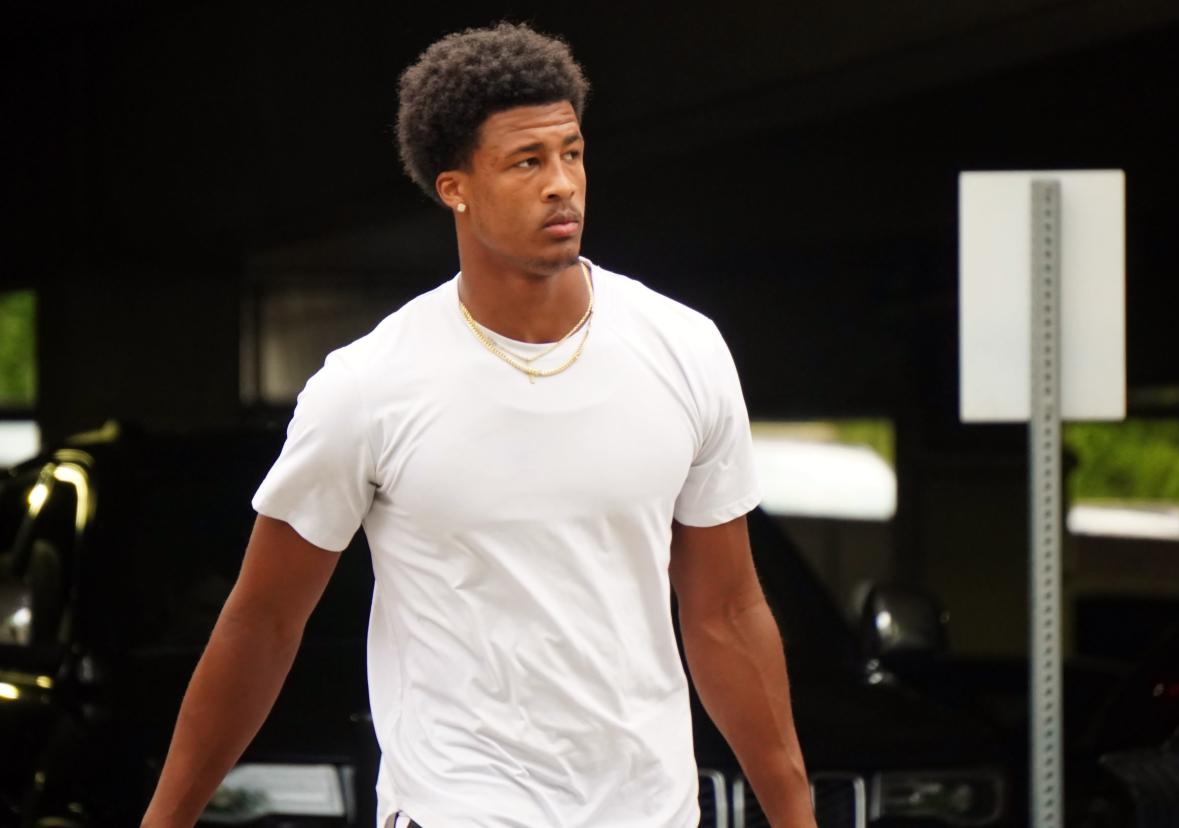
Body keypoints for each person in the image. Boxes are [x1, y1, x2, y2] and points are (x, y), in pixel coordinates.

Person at [142, 22, 814, 828]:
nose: (562, 183)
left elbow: (727, 613)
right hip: (455, 805)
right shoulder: (369, 386)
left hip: (648, 809)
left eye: (572, 152)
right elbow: (264, 621)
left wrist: (795, 815)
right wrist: (167, 818)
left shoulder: (683, 349)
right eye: (528, 162)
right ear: (454, 187)